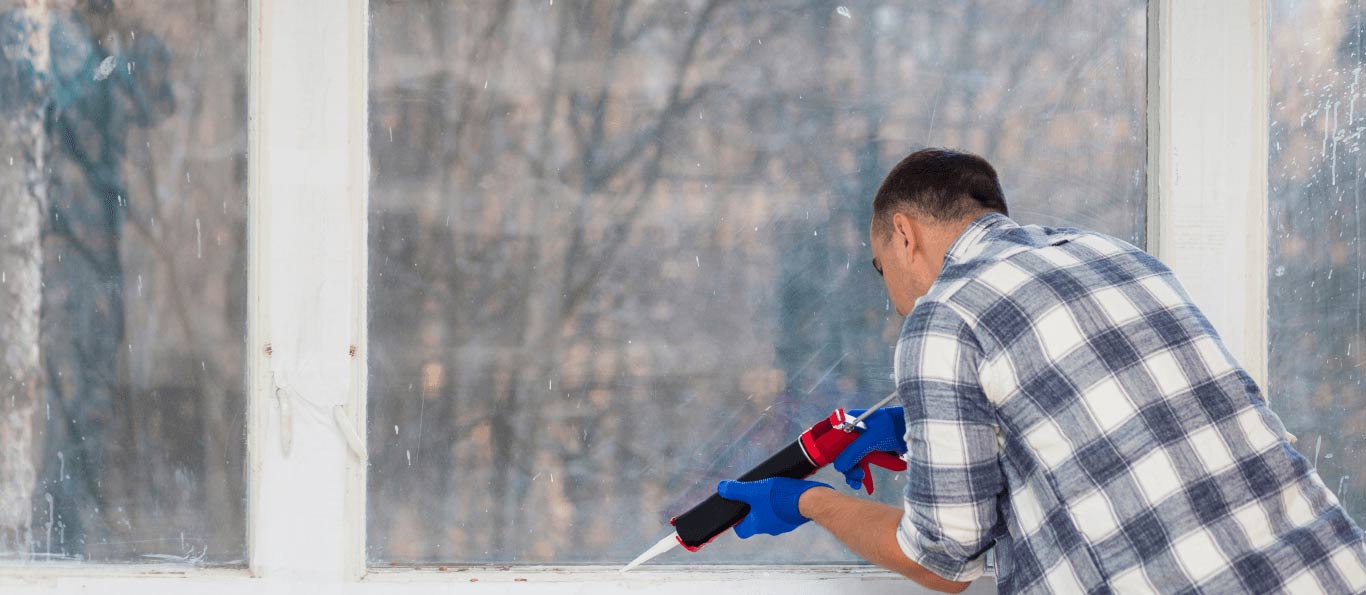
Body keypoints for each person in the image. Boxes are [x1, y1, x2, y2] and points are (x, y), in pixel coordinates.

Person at [716, 148, 1366, 593]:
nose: (892, 299)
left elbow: (941, 559)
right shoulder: (1116, 258)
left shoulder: (944, 316)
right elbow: (1112, 420)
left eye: (882, 268)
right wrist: (916, 427)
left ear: (904, 234)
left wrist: (806, 500)